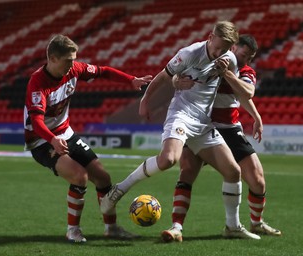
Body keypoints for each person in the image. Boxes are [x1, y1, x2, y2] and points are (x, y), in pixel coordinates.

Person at [100, 21, 260, 240]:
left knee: (233, 172)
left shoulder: (229, 60)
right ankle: (119, 190)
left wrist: (255, 114)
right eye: (217, 47)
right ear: (210, 36)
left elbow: (241, 92)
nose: (218, 53)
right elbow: (163, 76)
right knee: (168, 160)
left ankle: (232, 227)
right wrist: (146, 100)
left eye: (224, 49)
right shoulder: (189, 53)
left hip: (204, 123)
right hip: (182, 115)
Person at [24, 34, 152, 243]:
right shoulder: (37, 83)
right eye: (68, 60)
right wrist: (52, 140)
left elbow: (103, 71)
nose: (72, 65)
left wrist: (130, 80)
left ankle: (111, 228)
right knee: (79, 176)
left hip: (66, 133)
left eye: (74, 59)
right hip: (41, 140)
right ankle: (73, 230)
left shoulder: (74, 69)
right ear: (53, 58)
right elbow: (37, 122)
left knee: (103, 178)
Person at [161, 34, 281, 242]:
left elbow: (248, 92)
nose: (247, 60)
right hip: (199, 125)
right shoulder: (205, 60)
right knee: (187, 172)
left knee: (258, 180)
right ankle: (176, 227)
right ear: (233, 47)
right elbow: (176, 74)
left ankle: (256, 222)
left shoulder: (244, 71)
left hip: (229, 127)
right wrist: (175, 81)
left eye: (250, 57)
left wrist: (255, 115)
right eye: (244, 54)